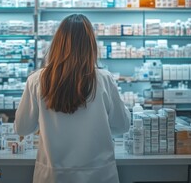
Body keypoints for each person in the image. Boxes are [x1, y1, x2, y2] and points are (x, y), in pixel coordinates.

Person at [14, 14, 131, 183]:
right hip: (98, 175)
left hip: (53, 176)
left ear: (57, 44)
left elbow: (23, 128)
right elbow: (122, 126)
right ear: (91, 45)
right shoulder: (104, 79)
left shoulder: (37, 80)